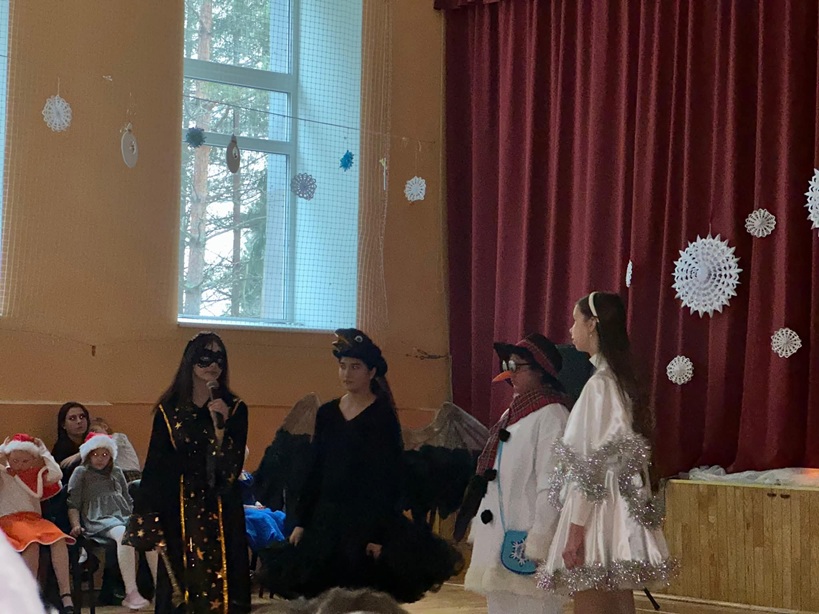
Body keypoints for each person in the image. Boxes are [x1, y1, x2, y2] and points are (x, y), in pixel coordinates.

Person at [261, 329, 462, 603]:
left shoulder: (382, 417)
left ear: (371, 372)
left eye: (355, 366)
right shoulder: (327, 413)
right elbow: (315, 470)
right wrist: (301, 522)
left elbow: (388, 479)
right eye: (342, 366)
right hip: (325, 521)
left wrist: (380, 535)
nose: (347, 373)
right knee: (322, 597)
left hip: (363, 523)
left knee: (359, 598)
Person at [536, 292, 676, 613]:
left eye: (576, 320)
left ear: (592, 324)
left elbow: (591, 463)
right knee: (617, 602)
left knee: (593, 601)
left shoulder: (600, 386)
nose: (570, 329)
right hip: (614, 509)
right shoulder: (617, 381)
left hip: (597, 514)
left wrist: (576, 529)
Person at [124, 331, 250, 613]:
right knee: (179, 587)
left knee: (226, 587)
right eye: (205, 357)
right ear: (191, 361)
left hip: (222, 510)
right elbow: (156, 467)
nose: (212, 365)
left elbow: (231, 469)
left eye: (219, 358)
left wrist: (222, 429)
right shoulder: (169, 411)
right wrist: (148, 517)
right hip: (178, 511)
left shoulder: (235, 409)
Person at [459, 334, 571, 614]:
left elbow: (553, 485)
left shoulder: (552, 416)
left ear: (541, 371)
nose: (510, 372)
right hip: (501, 540)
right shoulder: (512, 415)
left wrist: (540, 538)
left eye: (517, 366)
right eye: (507, 365)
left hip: (527, 543)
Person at [67, 432, 158, 610]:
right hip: (99, 518)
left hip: (123, 515)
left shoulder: (116, 471)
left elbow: (127, 498)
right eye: (95, 454)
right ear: (88, 455)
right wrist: (76, 525)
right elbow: (73, 503)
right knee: (124, 535)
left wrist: (136, 517)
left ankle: (159, 589)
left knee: (148, 536)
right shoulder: (81, 473)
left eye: (105, 454)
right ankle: (131, 592)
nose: (100, 459)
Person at [0, 433, 75, 613]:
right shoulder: (3, 473)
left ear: (33, 460)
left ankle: (66, 595)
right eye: (15, 460)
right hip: (10, 520)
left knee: (58, 539)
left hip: (35, 520)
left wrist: (44, 452)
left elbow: (57, 474)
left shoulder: (36, 476)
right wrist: (2, 450)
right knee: (32, 543)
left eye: (25, 461)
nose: (19, 465)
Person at [238, 448, 287, 553]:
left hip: (252, 507)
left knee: (278, 516)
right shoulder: (231, 478)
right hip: (241, 510)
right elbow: (233, 502)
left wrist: (256, 503)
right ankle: (272, 548)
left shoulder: (245, 474)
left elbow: (251, 495)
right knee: (263, 519)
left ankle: (284, 545)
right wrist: (251, 507)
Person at [51, 402, 91, 482]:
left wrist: (81, 453)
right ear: (63, 425)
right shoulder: (61, 449)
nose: (79, 421)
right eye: (72, 418)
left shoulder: (92, 441)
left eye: (82, 417)